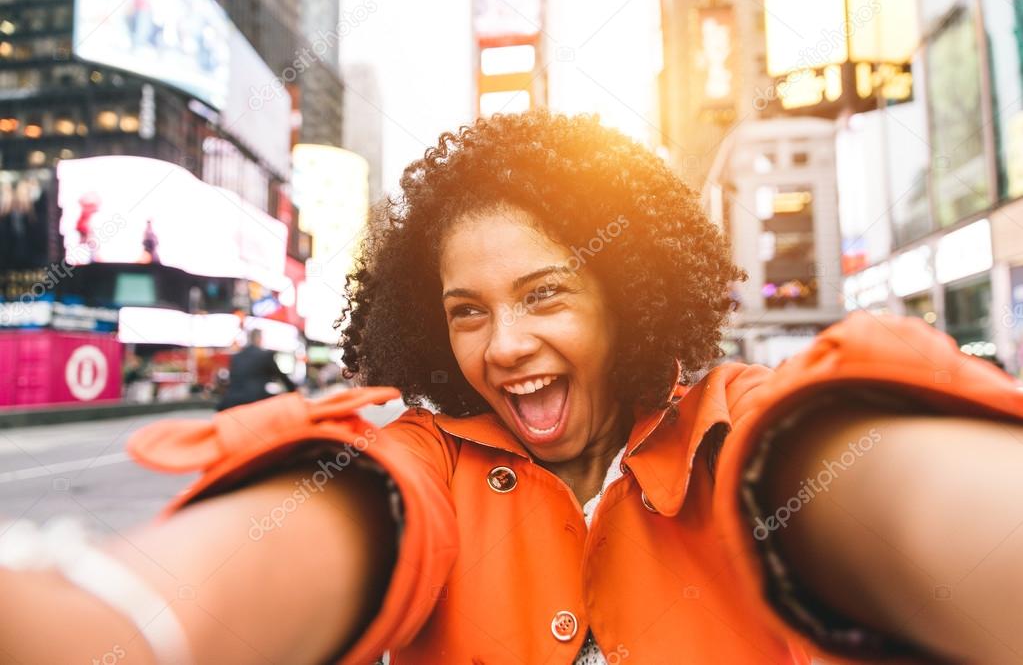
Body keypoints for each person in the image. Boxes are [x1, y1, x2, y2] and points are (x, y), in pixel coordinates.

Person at [3, 111, 1023, 664]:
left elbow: (869, 481)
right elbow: (325, 526)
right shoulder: (419, 461)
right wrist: (112, 619)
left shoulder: (744, 432)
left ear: (627, 295)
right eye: (467, 309)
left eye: (545, 295)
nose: (505, 346)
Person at [216, 328, 296, 410]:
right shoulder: (265, 356)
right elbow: (281, 377)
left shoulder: (236, 357)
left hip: (231, 401)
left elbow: (232, 380)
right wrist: (294, 389)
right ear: (259, 339)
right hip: (255, 401)